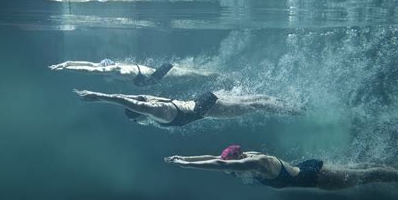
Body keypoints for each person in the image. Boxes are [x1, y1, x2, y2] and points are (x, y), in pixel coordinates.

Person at [164, 145, 398, 190]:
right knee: (363, 169)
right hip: (308, 169)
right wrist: (185, 159)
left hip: (316, 177)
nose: (234, 172)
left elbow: (218, 164)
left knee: (368, 176)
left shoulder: (257, 162)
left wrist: (187, 167)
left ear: (240, 160)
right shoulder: (249, 156)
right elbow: (217, 159)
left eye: (234, 168)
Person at [74, 90, 304, 127]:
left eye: (137, 119)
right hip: (202, 100)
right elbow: (135, 97)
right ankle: (290, 102)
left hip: (208, 108)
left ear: (140, 114)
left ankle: (295, 110)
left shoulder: (154, 113)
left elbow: (129, 101)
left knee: (256, 105)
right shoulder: (156, 104)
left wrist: (98, 97)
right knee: (255, 99)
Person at [49, 59, 217, 86]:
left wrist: (66, 65)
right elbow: (89, 67)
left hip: (151, 77)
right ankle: (213, 75)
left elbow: (88, 68)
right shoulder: (115, 67)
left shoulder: (113, 69)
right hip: (152, 77)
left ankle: (212, 75)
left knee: (188, 75)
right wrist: (67, 65)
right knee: (188, 74)